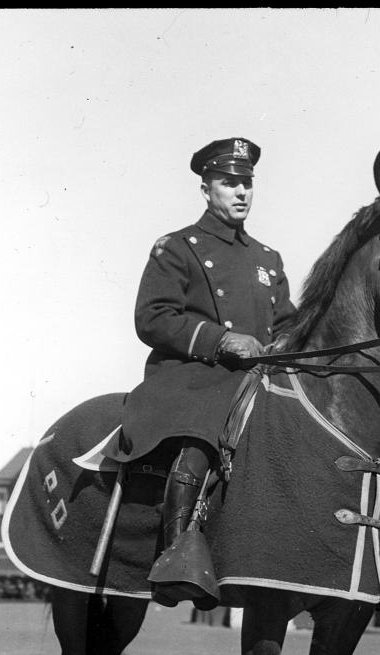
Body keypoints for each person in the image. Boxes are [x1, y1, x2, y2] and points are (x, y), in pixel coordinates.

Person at [105, 137, 297, 603]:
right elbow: (153, 317)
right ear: (206, 188)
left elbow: (287, 321)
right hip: (194, 374)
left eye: (247, 183)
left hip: (258, 378)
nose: (241, 192)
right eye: (229, 182)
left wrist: (295, 340)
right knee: (203, 433)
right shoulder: (177, 248)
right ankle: (177, 554)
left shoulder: (268, 260)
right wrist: (221, 339)